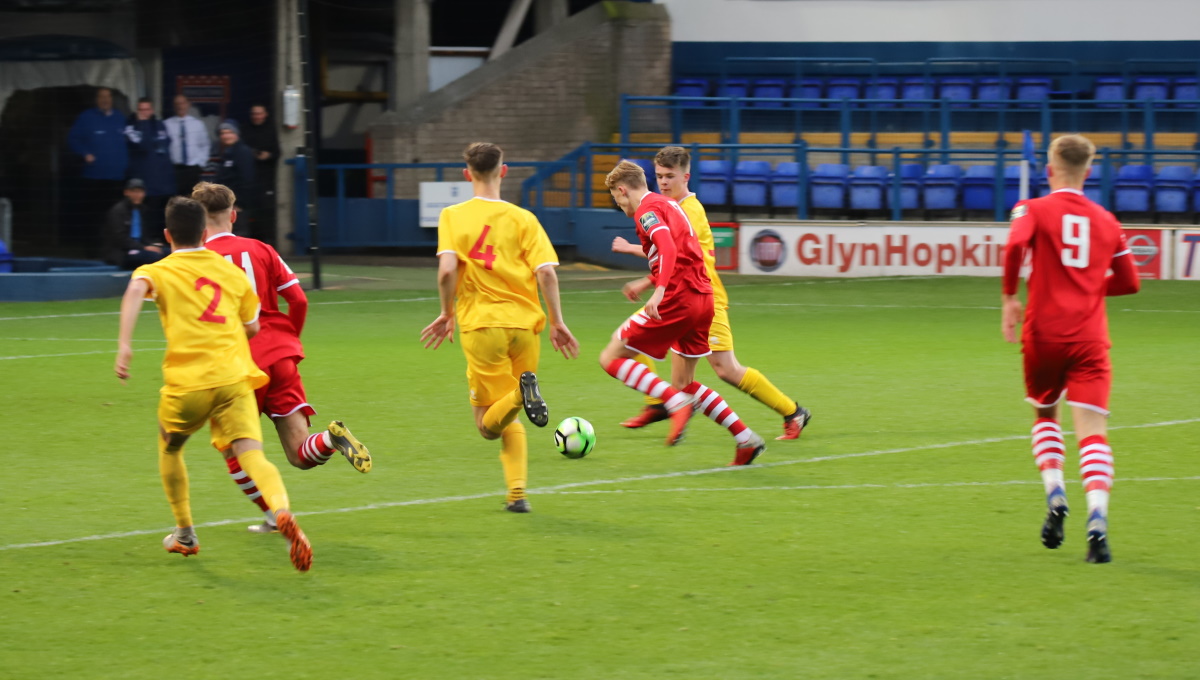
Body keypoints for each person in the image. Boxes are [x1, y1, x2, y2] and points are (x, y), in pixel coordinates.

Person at [113, 196, 313, 571]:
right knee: (252, 453)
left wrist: (125, 345)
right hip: (235, 380)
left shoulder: (159, 269)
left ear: (167, 234)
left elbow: (136, 290)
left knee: (170, 447)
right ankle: (281, 511)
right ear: (205, 233)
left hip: (188, 384)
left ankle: (185, 533)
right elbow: (253, 326)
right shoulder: (232, 274)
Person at [192, 182, 372, 534]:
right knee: (300, 453)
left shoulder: (198, 260)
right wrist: (288, 340)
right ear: (233, 214)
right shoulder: (263, 249)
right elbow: (299, 300)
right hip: (280, 356)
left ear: (198, 221)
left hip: (237, 365)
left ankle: (275, 514)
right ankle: (328, 439)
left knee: (235, 454)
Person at [1002, 134, 1140, 564]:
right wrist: (1091, 285)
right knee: (1093, 432)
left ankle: (1056, 493)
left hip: (1043, 334)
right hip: (1090, 338)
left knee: (1046, 415)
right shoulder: (1107, 220)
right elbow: (1130, 282)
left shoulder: (1032, 209)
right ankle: (1098, 519)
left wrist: (1010, 298)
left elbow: (1013, 246)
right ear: (1089, 171)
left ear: (1049, 169)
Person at [420, 142, 578, 513]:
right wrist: (557, 322)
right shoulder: (524, 219)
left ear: (467, 174)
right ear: (503, 171)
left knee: (487, 425)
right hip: (525, 327)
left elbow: (446, 271)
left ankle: (521, 396)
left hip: (482, 326)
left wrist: (446, 313)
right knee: (509, 415)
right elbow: (547, 274)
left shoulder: (453, 216)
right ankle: (517, 494)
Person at [612, 146, 812, 440]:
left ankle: (792, 412)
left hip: (704, 297)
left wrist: (644, 278)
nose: (664, 182)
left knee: (726, 368)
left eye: (670, 176)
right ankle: (660, 405)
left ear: (686, 176)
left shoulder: (690, 210)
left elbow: (682, 257)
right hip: (681, 296)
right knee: (661, 363)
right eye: (659, 176)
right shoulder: (665, 207)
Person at [601, 160, 766, 466]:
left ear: (623, 190)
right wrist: (650, 280)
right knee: (684, 383)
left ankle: (674, 403)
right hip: (704, 299)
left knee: (611, 356)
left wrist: (660, 289)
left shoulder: (646, 211)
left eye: (616, 198)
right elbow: (683, 251)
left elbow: (667, 247)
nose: (618, 204)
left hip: (678, 299)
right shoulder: (670, 205)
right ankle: (746, 440)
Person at [68, 87, 128, 255]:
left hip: (116, 178)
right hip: (93, 178)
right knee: (92, 217)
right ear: (96, 99)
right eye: (101, 97)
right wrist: (85, 153)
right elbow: (73, 138)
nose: (105, 100)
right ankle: (91, 251)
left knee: (116, 218)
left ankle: (112, 251)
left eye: (108, 97)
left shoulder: (120, 118)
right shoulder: (86, 117)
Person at [124, 98, 176, 232]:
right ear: (137, 111)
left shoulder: (160, 125)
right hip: (145, 183)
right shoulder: (131, 127)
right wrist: (143, 124)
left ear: (152, 110)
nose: (144, 113)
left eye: (147, 109)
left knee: (163, 218)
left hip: (163, 183)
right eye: (141, 109)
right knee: (146, 219)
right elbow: (143, 146)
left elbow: (165, 146)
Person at [103, 179, 167, 269]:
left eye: (140, 192)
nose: (137, 195)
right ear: (126, 193)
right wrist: (144, 247)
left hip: (141, 247)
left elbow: (145, 236)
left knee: (166, 252)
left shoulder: (144, 210)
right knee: (154, 257)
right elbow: (120, 239)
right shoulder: (117, 211)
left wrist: (153, 244)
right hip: (123, 252)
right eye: (134, 192)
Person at [241, 104, 281, 243]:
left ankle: (266, 243)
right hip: (249, 178)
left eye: (259, 113)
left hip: (266, 179)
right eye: (254, 114)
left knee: (265, 211)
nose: (257, 116)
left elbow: (277, 152)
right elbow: (242, 149)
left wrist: (267, 156)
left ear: (265, 114)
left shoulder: (271, 131)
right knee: (250, 212)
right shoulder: (245, 130)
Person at [164, 94, 211, 198]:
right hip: (174, 169)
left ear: (188, 105)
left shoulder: (198, 124)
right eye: (177, 104)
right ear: (174, 106)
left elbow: (205, 145)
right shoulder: (166, 124)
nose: (180, 106)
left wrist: (201, 163)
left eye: (182, 103)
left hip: (193, 169)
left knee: (192, 199)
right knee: (176, 200)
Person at [214, 120, 256, 225]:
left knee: (239, 234)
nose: (226, 136)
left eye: (229, 132)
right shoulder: (227, 153)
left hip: (237, 207)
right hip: (226, 205)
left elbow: (247, 179)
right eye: (223, 133)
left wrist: (239, 204)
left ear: (236, 134)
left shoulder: (243, 152)